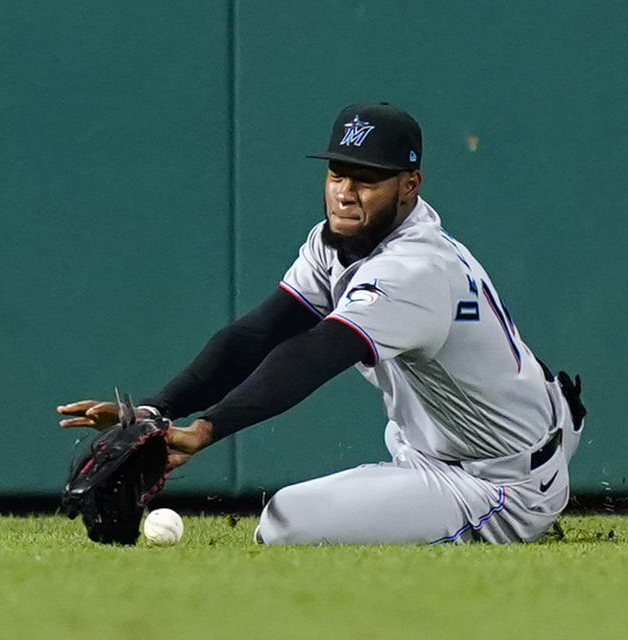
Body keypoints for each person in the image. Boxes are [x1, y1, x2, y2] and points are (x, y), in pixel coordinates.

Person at [58, 102, 586, 545]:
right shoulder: (336, 242)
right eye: (337, 173)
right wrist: (157, 410)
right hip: (478, 437)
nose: (345, 191)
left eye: (368, 178)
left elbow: (314, 353)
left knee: (285, 522)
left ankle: (521, 510)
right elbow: (260, 334)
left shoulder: (415, 269)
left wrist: (206, 429)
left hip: (497, 479)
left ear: (410, 185)